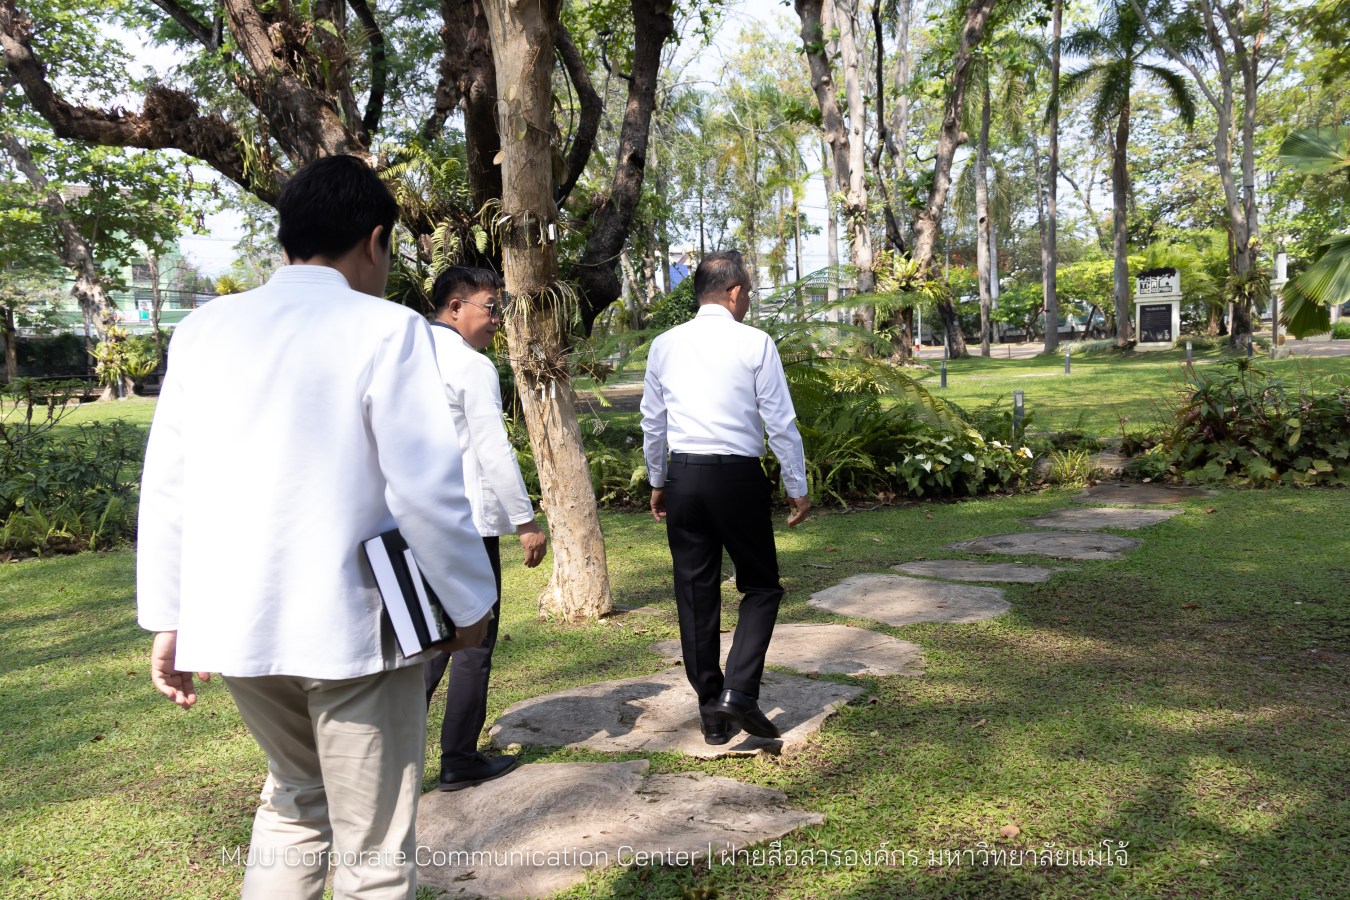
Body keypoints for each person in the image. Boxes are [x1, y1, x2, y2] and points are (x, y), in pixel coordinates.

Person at [136, 155, 497, 899]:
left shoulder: (203, 329)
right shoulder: (388, 328)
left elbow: (169, 484)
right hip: (353, 628)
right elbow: (427, 491)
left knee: (294, 802)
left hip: (237, 626)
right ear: (375, 241)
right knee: (374, 850)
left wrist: (170, 619)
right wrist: (470, 604)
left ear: (288, 235)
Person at [639, 250, 811, 746]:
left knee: (696, 595)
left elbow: (653, 422)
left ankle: (712, 714)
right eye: (749, 292)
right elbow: (780, 420)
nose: (748, 300)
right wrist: (796, 486)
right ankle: (738, 691)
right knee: (761, 587)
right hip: (737, 479)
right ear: (734, 292)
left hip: (684, 477)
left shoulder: (664, 344)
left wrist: (658, 480)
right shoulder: (755, 342)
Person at [422, 265, 548, 790]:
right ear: (455, 307)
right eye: (491, 308)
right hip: (467, 524)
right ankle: (459, 759)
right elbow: (493, 448)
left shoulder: (402, 354)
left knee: (428, 640)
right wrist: (525, 520)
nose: (497, 319)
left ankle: (390, 755)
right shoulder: (469, 365)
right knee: (473, 640)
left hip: (412, 524)